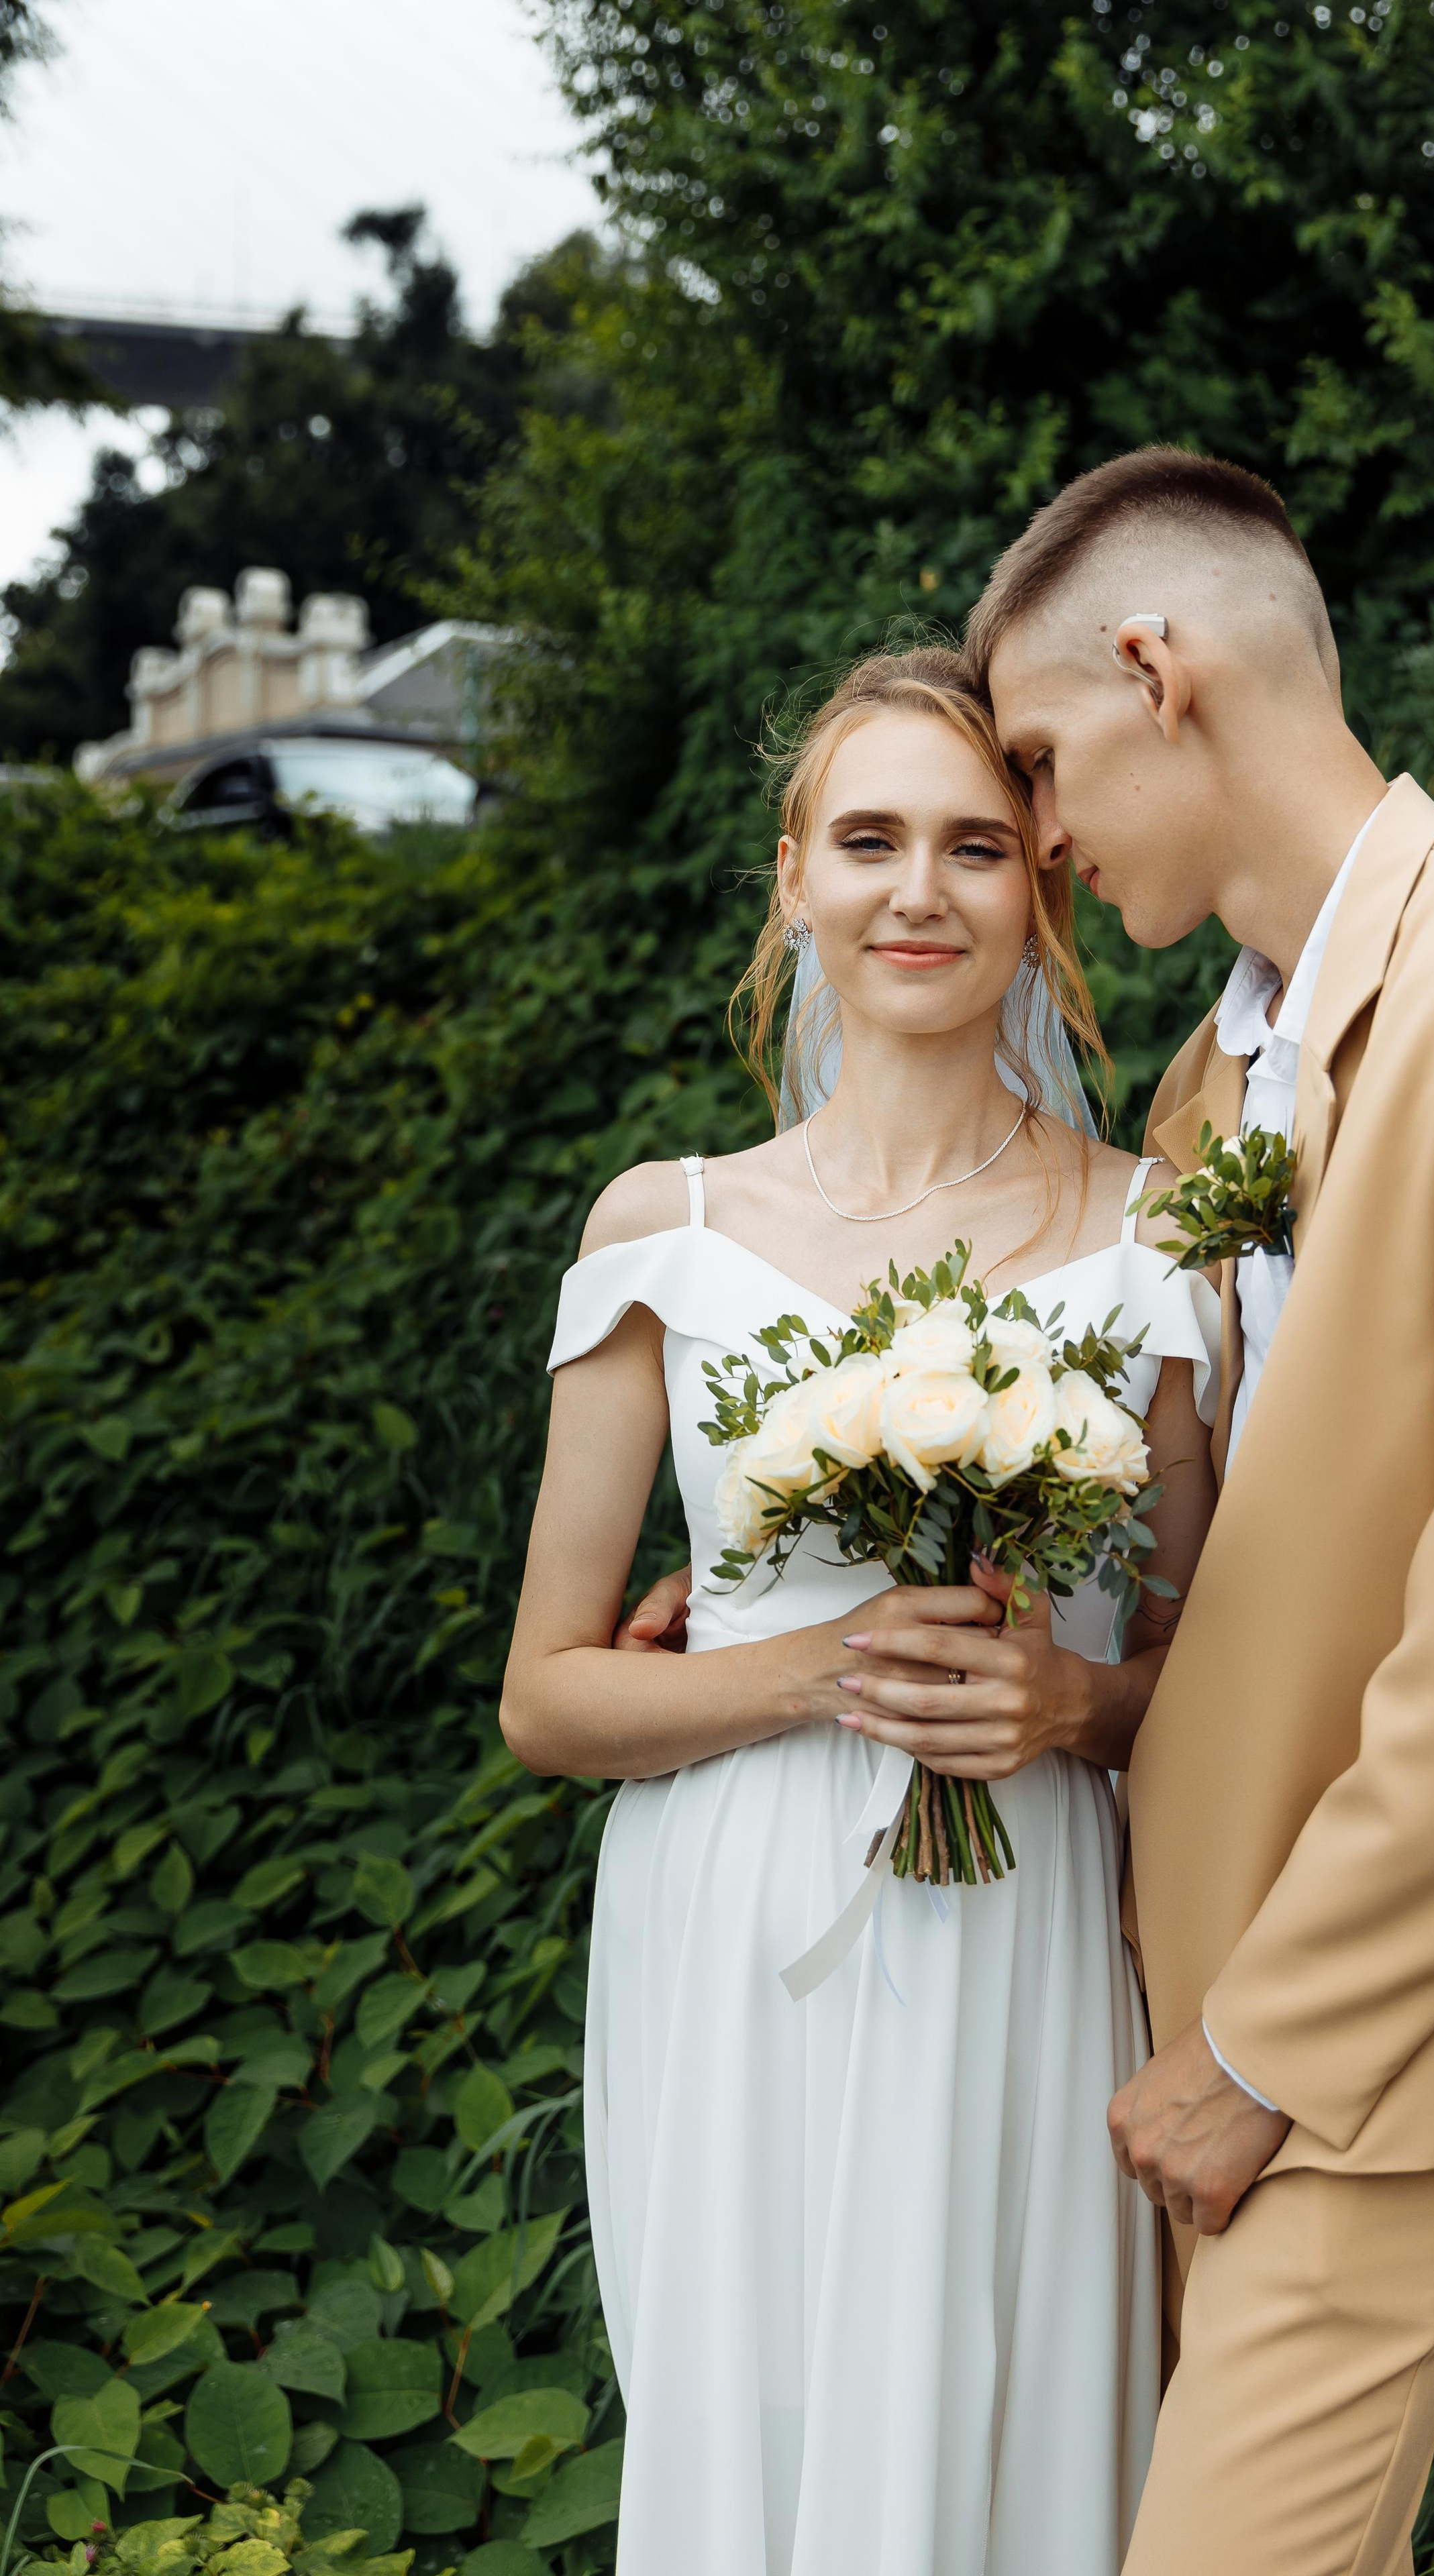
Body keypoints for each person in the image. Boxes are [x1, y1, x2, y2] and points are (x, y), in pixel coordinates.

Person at [952, 443, 1434, 2575]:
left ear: (1156, 663)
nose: (1037, 837)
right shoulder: (1217, 1084)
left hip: (1362, 2009)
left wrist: (1271, 2045)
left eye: (1038, 758)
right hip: (1152, 1965)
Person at [500, 648, 1221, 2576]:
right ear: (795, 879)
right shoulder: (667, 1230)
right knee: (764, 2422)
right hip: (735, 1914)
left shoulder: (1151, 1233)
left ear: (1041, 891)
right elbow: (550, 1700)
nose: (923, 891)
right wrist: (815, 1665)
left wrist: (1073, 1708)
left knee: (1007, 2411)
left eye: (978, 846)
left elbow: (1217, 1667)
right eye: (873, 839)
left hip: (1028, 1916)